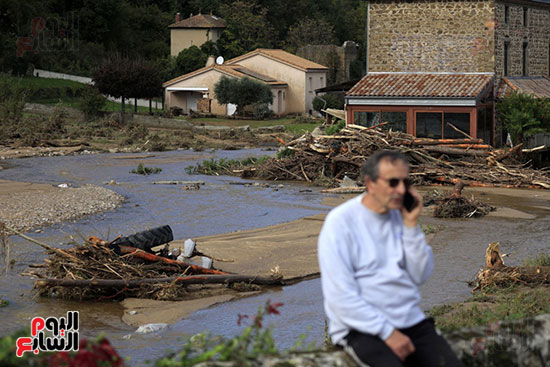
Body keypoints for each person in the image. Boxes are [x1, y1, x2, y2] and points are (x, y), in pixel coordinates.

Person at [318, 150, 461, 367]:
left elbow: (420, 274)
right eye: (393, 182)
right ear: (370, 183)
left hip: (410, 321)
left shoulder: (401, 217)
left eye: (406, 182)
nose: (401, 190)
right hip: (359, 329)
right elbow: (340, 298)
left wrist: (412, 225)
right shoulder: (340, 223)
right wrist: (387, 332)